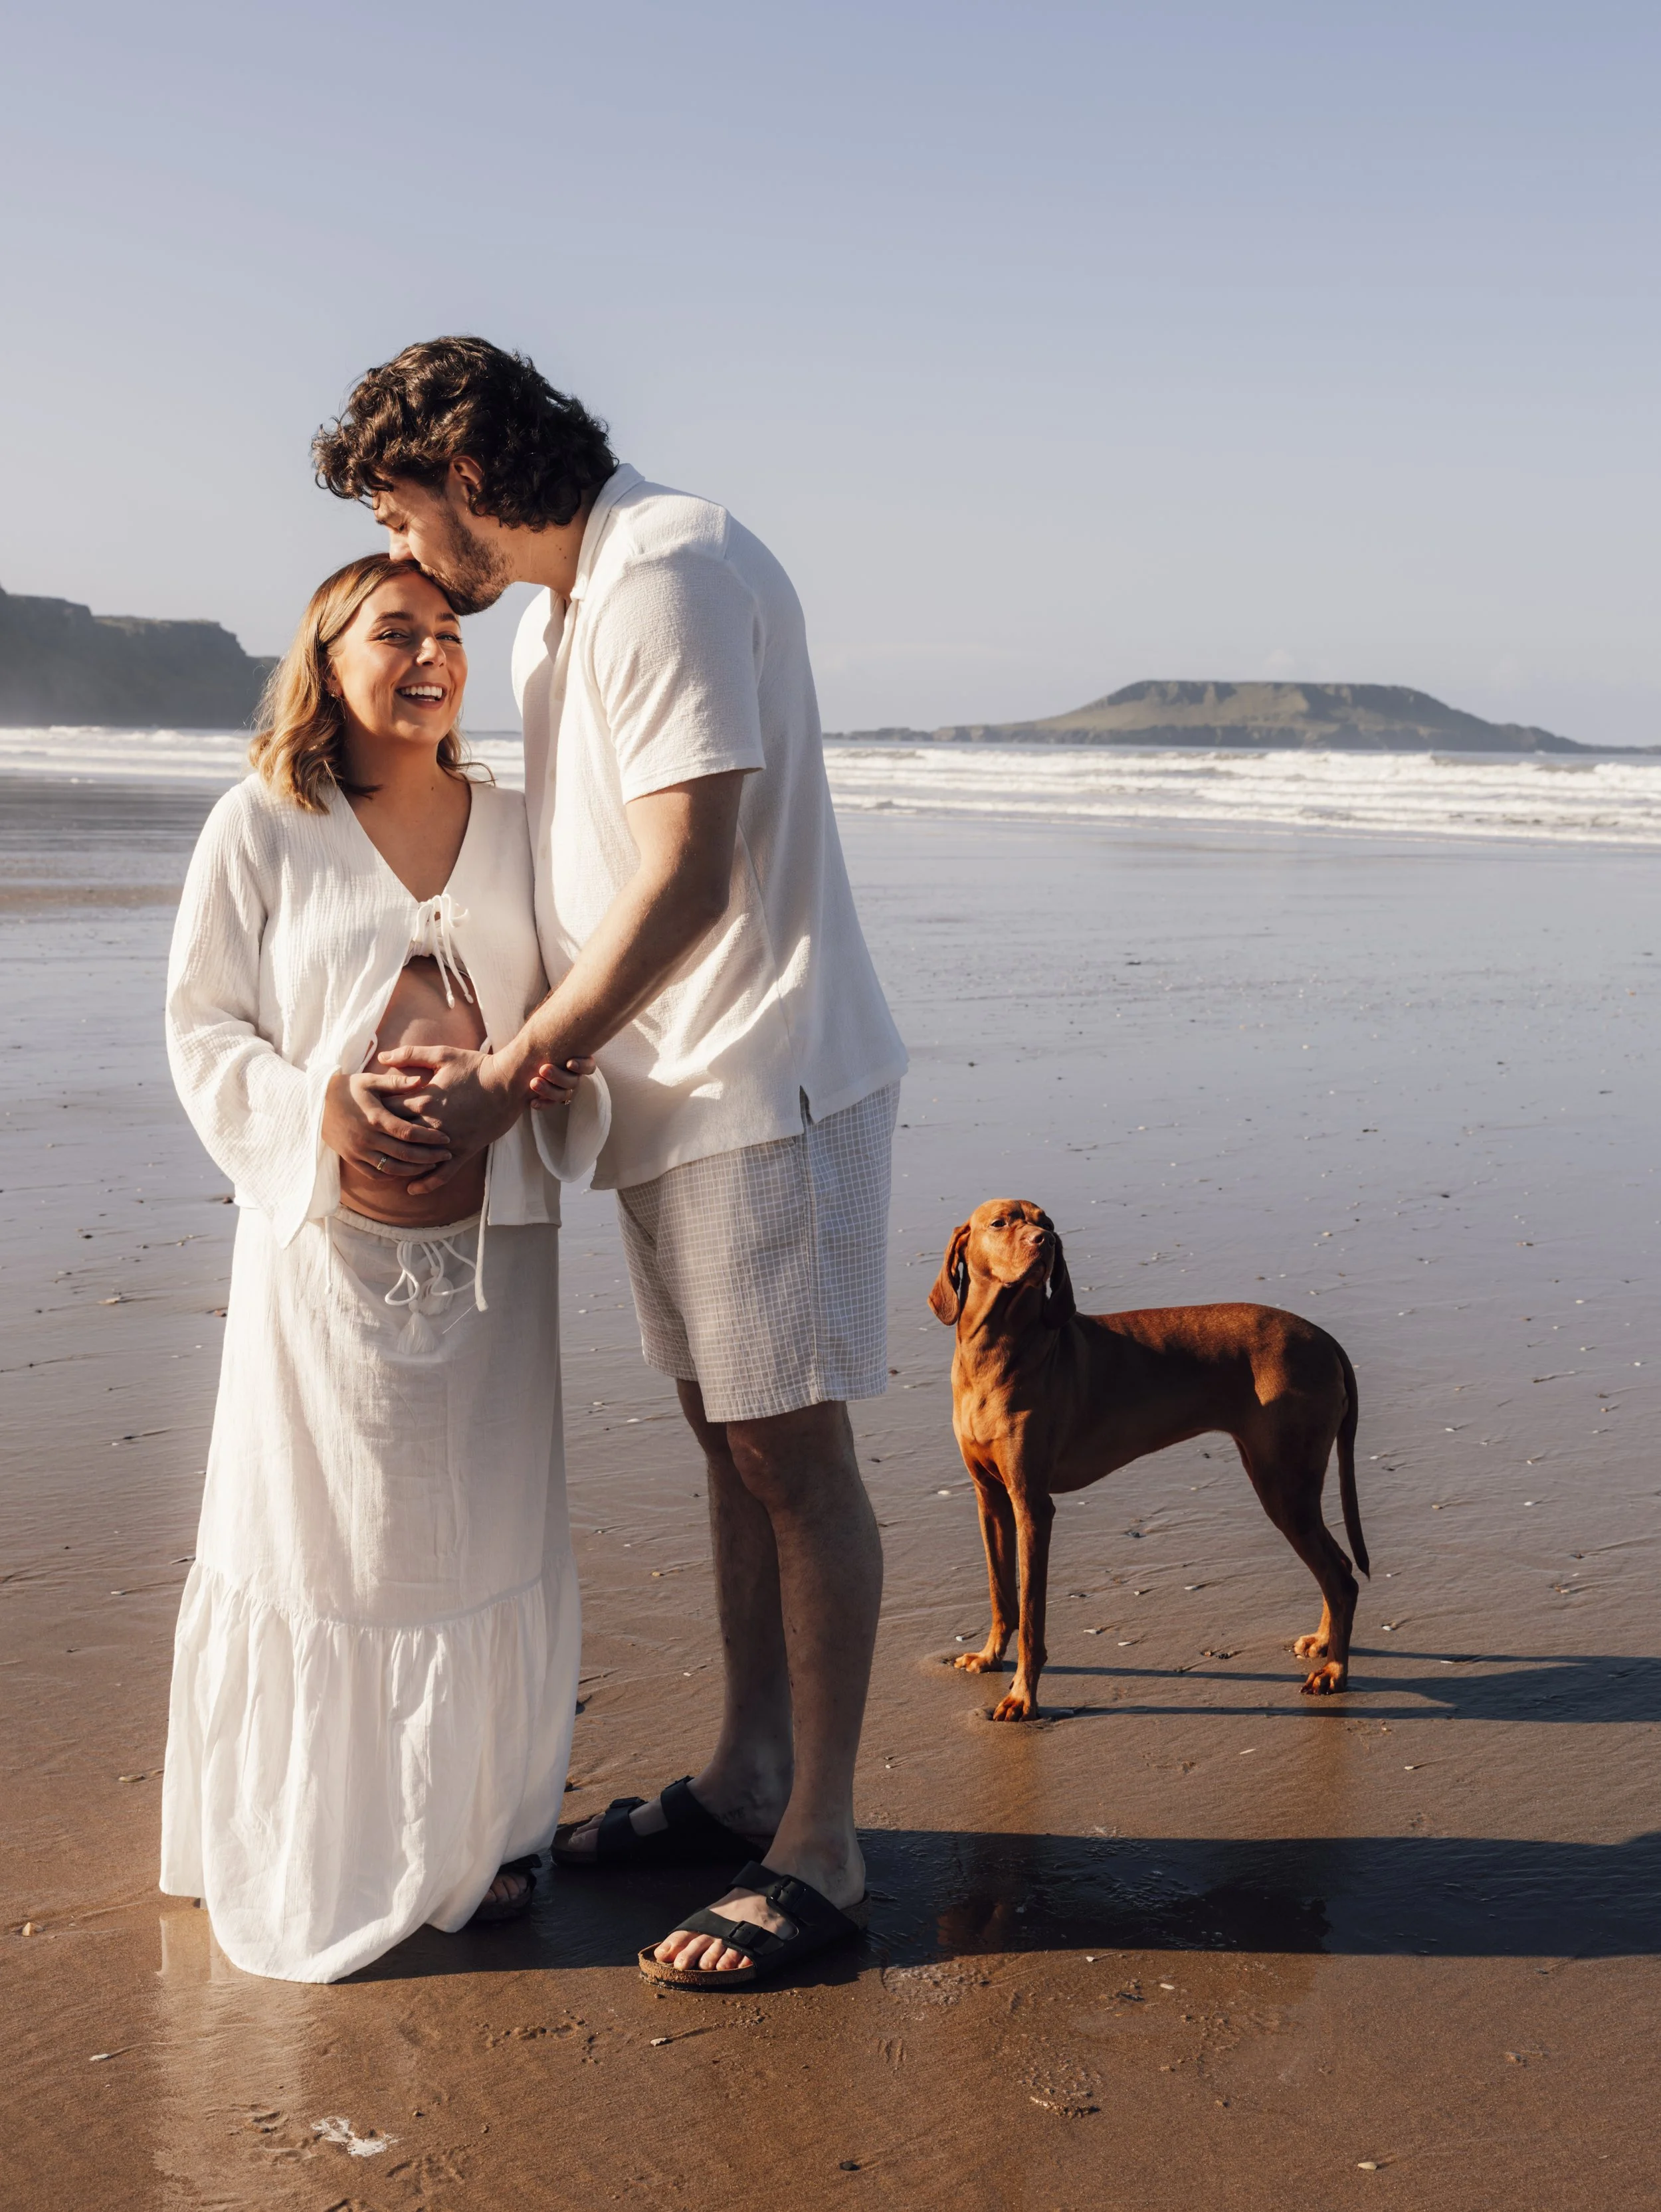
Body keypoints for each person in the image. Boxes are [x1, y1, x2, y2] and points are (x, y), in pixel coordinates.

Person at [313, 337, 908, 1987]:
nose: (408, 552)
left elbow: (691, 877)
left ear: (475, 479)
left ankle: (825, 1850)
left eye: (403, 510)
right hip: (665, 1092)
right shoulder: (580, 609)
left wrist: (503, 1075)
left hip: (757, 1080)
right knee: (733, 1447)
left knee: (791, 1457)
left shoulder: (668, 572)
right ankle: (745, 1779)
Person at [159, 552, 605, 1982]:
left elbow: (586, 1016)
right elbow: (205, 1030)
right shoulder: (262, 826)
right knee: (323, 1542)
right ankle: (312, 1837)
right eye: (395, 632)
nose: (433, 656)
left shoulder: (527, 827)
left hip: (490, 1269)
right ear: (326, 657)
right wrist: (328, 1111)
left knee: (479, 1541)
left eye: (449, 633)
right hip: (323, 1270)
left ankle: (476, 1837)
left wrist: (530, 1080)